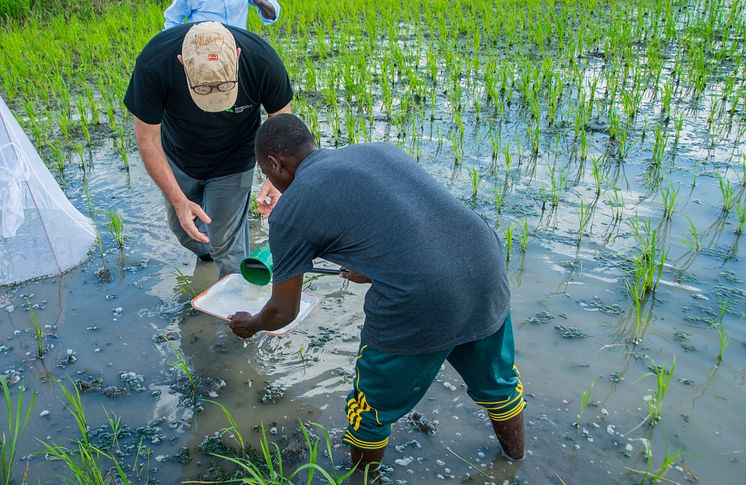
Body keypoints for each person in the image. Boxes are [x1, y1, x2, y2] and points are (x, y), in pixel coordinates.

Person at [228, 114, 526, 470]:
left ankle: (361, 479)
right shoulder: (376, 151)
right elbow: (410, 225)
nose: (271, 181)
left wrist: (252, 324)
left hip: (421, 296)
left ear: (277, 163)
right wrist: (373, 269)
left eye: (268, 173)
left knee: (367, 413)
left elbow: (283, 311)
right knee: (500, 385)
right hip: (484, 262)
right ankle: (515, 464)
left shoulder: (290, 210)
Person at [123, 22, 292, 278]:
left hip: (233, 160)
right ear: (181, 62)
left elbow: (281, 121)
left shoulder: (261, 60)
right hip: (178, 157)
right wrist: (179, 201)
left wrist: (276, 177)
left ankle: (235, 309)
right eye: (203, 89)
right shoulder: (154, 62)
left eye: (224, 87)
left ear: (236, 55)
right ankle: (210, 255)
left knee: (227, 245)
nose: (214, 96)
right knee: (184, 231)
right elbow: (148, 141)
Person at [164, 0, 281, 30]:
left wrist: (260, 2)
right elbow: (172, 20)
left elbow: (272, 14)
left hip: (237, 48)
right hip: (202, 51)